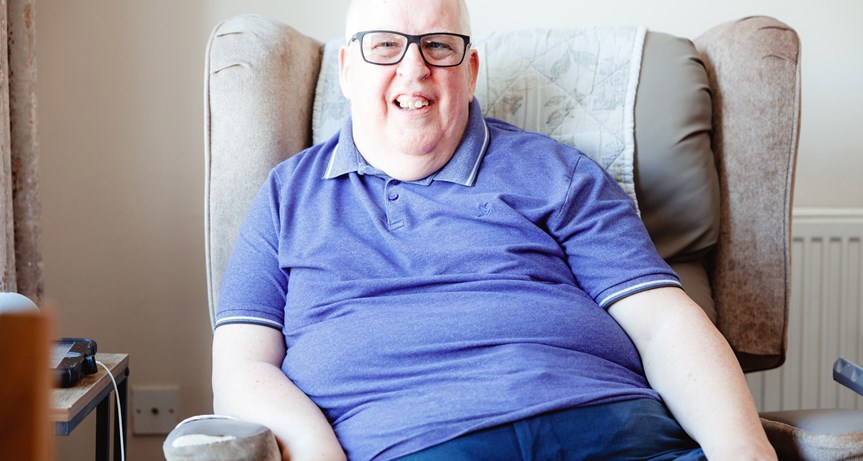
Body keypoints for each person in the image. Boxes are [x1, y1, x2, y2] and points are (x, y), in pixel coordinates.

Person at [211, 0, 777, 459]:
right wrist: (314, 450)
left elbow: (662, 323)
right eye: (385, 45)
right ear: (346, 70)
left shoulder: (561, 173)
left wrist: (742, 448)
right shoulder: (288, 195)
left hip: (610, 432)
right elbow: (243, 366)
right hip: (414, 444)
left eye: (438, 45)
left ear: (471, 70)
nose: (414, 69)